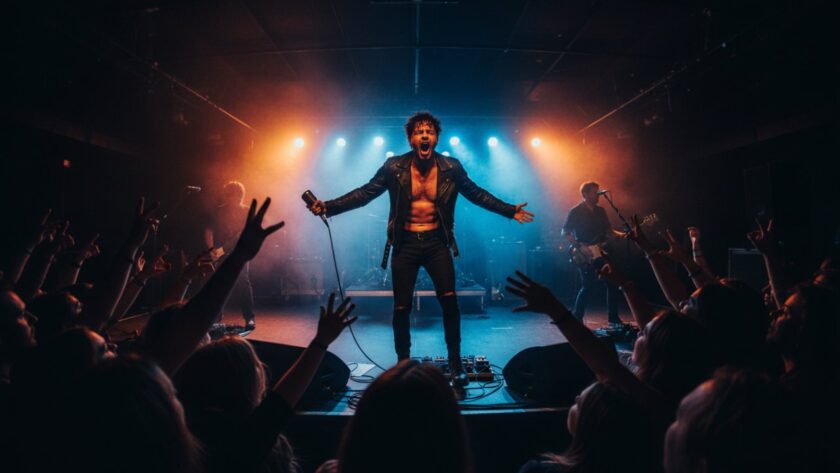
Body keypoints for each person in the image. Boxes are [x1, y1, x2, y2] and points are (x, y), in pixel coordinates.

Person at [307, 112, 534, 385]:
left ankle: (455, 363)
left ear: (436, 138)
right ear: (411, 139)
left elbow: (477, 194)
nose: (424, 135)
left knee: (450, 303)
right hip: (405, 244)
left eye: (429, 131)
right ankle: (403, 364)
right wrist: (329, 206)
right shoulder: (394, 167)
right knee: (401, 308)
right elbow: (365, 193)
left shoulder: (452, 168)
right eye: (418, 132)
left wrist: (509, 211)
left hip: (438, 243)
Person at [562, 182, 622, 325]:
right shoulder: (576, 211)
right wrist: (579, 246)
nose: (598, 195)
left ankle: (613, 318)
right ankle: (577, 317)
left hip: (602, 251)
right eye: (595, 192)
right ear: (585, 194)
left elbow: (609, 231)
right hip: (585, 253)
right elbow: (565, 231)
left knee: (612, 283)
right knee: (588, 286)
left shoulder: (601, 211)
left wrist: (625, 233)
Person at [205, 180, 256, 328]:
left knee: (243, 283)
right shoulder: (218, 211)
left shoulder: (247, 211)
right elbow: (208, 230)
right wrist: (211, 249)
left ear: (241, 196)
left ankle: (249, 317)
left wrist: (222, 250)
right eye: (231, 196)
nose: (234, 199)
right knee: (217, 283)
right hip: (219, 253)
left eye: (237, 196)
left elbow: (242, 234)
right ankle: (215, 316)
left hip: (240, 252)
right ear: (227, 196)